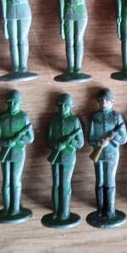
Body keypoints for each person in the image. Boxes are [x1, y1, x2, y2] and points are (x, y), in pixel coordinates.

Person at [0, 0, 46, 79]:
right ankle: (15, 67)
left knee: (22, 38)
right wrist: (4, 15)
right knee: (13, 39)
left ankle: (23, 66)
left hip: (24, 10)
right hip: (10, 11)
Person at [59, 0, 103, 79]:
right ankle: (70, 67)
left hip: (80, 11)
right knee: (69, 40)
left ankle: (77, 68)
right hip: (68, 11)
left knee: (78, 39)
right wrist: (61, 17)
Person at [88, 88, 127, 227]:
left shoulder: (117, 117)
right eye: (101, 100)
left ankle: (110, 210)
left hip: (112, 152)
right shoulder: (95, 117)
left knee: (110, 180)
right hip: (98, 152)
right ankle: (100, 209)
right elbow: (90, 137)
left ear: (111, 101)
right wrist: (99, 143)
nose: (103, 102)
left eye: (106, 99)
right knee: (99, 180)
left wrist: (112, 138)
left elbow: (124, 138)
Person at [43, 94, 84, 228]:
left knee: (65, 184)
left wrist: (69, 143)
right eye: (61, 106)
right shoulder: (54, 120)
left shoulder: (74, 121)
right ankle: (56, 211)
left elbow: (80, 143)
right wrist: (56, 145)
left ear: (70, 107)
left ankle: (65, 212)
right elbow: (49, 140)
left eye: (66, 106)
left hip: (68, 155)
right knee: (56, 183)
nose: (63, 108)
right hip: (56, 155)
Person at [0, 89, 34, 223]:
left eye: (15, 103)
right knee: (6, 180)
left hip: (18, 152)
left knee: (15, 180)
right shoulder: (3, 118)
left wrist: (18, 140)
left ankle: (15, 208)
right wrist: (7, 142)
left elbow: (30, 138)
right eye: (10, 102)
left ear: (19, 103)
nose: (12, 105)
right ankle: (7, 208)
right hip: (5, 151)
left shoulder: (23, 117)